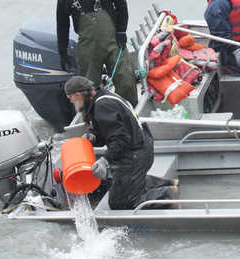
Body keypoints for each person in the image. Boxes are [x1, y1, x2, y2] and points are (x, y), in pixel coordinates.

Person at [63, 75, 174, 210]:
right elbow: (110, 131)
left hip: (135, 154)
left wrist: (105, 160)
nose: (71, 102)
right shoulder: (103, 97)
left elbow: (121, 139)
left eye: (71, 98)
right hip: (140, 146)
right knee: (121, 181)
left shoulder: (102, 106)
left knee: (120, 203)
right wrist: (93, 137)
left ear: (78, 95)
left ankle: (170, 195)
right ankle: (170, 183)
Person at [56, 0, 137, 104]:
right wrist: (62, 52)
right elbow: (62, 25)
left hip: (113, 42)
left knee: (125, 77)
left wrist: (121, 31)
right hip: (88, 48)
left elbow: (121, 4)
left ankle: (130, 110)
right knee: (87, 88)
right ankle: (92, 118)